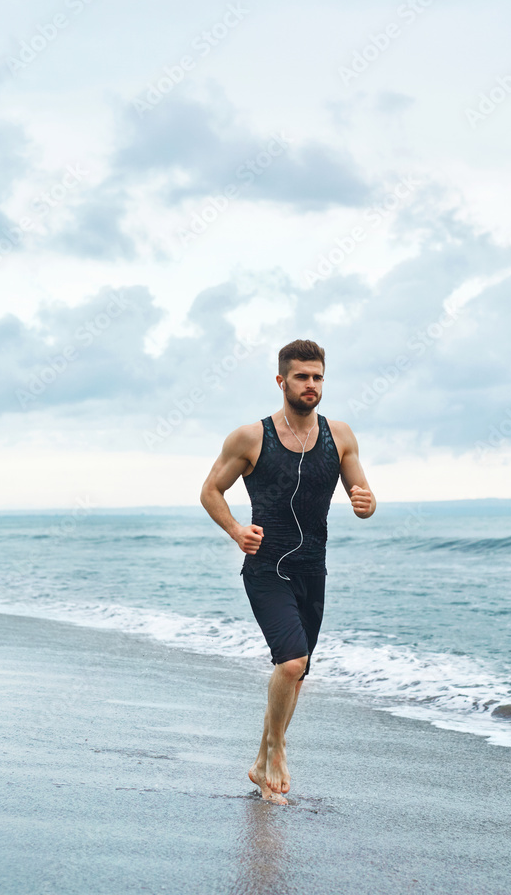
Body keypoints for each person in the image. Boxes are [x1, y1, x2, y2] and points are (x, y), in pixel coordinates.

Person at [200, 338, 376, 803]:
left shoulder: (341, 436)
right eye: (301, 376)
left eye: (318, 376)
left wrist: (367, 503)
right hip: (265, 569)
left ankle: (260, 764)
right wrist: (237, 531)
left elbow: (364, 499)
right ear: (282, 381)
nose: (311, 384)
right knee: (292, 660)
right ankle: (277, 748)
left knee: (295, 673)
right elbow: (210, 491)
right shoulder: (251, 437)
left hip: (312, 572)